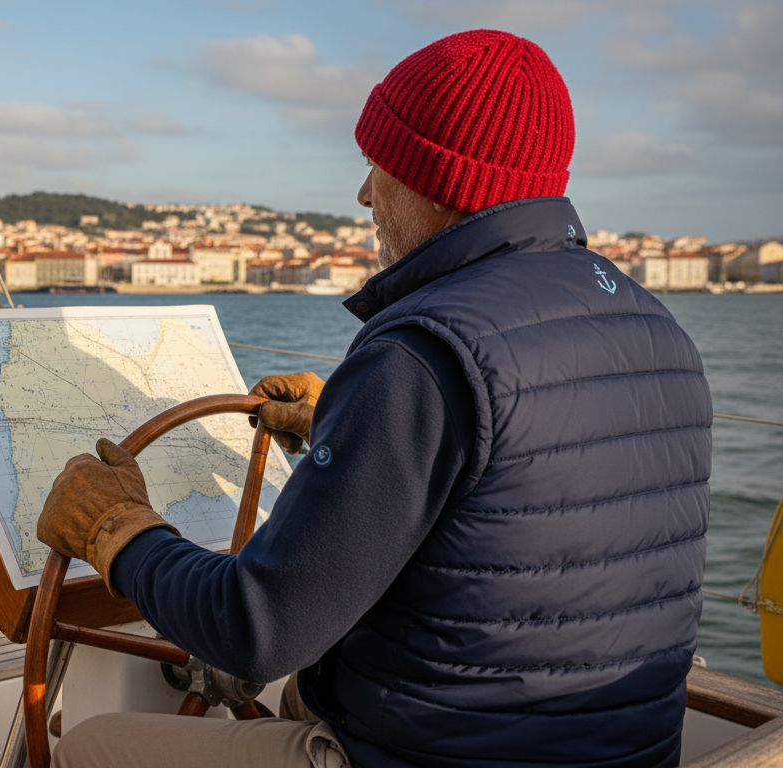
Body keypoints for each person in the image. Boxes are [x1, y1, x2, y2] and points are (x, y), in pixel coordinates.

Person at [37, 28, 711, 768]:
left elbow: (257, 630)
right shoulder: (657, 328)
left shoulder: (421, 354)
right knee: (298, 697)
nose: (364, 194)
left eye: (378, 165)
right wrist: (344, 423)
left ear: (434, 178)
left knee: (93, 747)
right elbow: (524, 480)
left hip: (437, 756)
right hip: (618, 751)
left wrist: (115, 528)